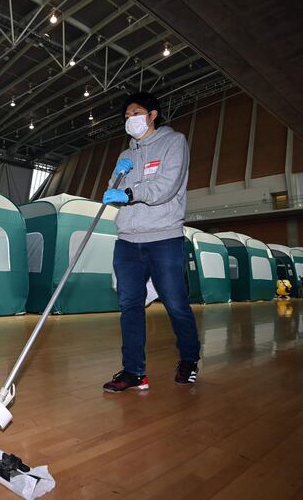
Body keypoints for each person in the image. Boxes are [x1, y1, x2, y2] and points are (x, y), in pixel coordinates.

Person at [101, 91, 201, 392]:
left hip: (164, 237)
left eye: (136, 113)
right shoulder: (125, 155)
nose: (131, 119)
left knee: (175, 302)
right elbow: (114, 190)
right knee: (129, 305)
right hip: (128, 240)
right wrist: (118, 179)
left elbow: (166, 186)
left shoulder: (174, 143)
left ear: (153, 114)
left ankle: (189, 359)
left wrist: (130, 193)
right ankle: (134, 372)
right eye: (128, 115)